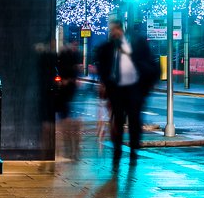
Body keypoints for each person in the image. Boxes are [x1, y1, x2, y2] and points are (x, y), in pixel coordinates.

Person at [95, 19, 158, 167]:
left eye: (115, 30)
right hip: (116, 90)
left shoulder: (136, 45)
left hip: (134, 89)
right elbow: (102, 67)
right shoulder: (108, 48)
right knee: (117, 121)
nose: (113, 33)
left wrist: (146, 88)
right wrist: (104, 84)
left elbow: (150, 64)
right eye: (111, 31)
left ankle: (134, 153)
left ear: (121, 30)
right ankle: (117, 153)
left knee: (134, 122)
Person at [55, 41, 82, 160]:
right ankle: (72, 149)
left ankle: (73, 149)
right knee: (67, 115)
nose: (75, 47)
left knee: (69, 116)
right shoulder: (65, 55)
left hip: (70, 87)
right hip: (67, 87)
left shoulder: (72, 55)